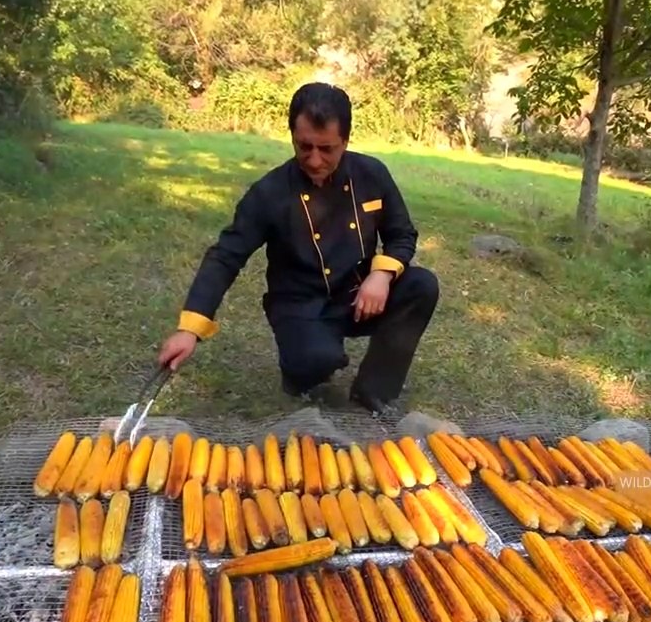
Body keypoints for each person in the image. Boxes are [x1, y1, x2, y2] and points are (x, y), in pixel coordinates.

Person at [156, 82, 439, 416]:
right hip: (299, 304)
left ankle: (373, 390)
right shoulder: (269, 192)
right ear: (292, 135)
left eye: (326, 149)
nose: (314, 160)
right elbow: (225, 256)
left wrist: (380, 275)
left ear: (345, 141)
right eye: (304, 146)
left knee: (421, 285)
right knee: (316, 362)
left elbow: (402, 234)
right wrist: (190, 328)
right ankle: (302, 365)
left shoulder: (371, 174)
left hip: (357, 296)